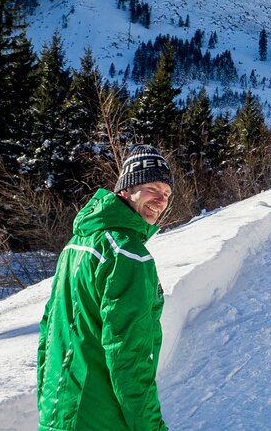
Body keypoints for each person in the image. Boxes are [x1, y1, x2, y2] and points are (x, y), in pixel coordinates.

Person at [37, 144, 174, 431]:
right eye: (153, 188)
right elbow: (129, 359)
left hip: (59, 410)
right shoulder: (127, 254)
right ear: (126, 189)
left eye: (166, 194)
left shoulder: (76, 245)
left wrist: (46, 400)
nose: (161, 200)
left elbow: (49, 334)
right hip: (102, 417)